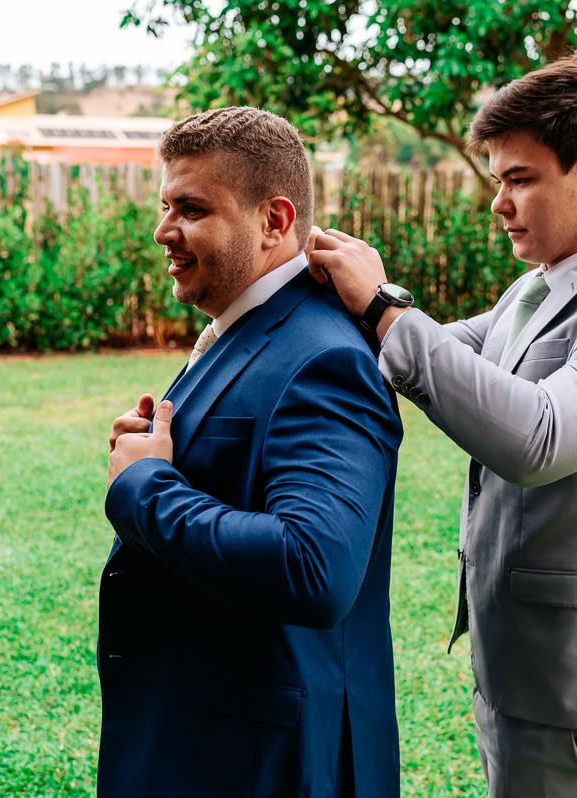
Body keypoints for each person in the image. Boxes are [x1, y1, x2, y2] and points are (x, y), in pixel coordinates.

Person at [308, 55, 577, 797]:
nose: (499, 203)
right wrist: (324, 303)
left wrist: (383, 305)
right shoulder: (535, 287)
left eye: (519, 179)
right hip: (520, 668)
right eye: (498, 180)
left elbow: (537, 438)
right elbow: (442, 355)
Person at [102, 106, 403, 798]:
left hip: (267, 763)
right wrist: (158, 452)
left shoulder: (324, 356)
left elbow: (313, 566)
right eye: (165, 205)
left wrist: (146, 487)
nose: (163, 231)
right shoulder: (246, 327)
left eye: (192, 209)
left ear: (274, 221)